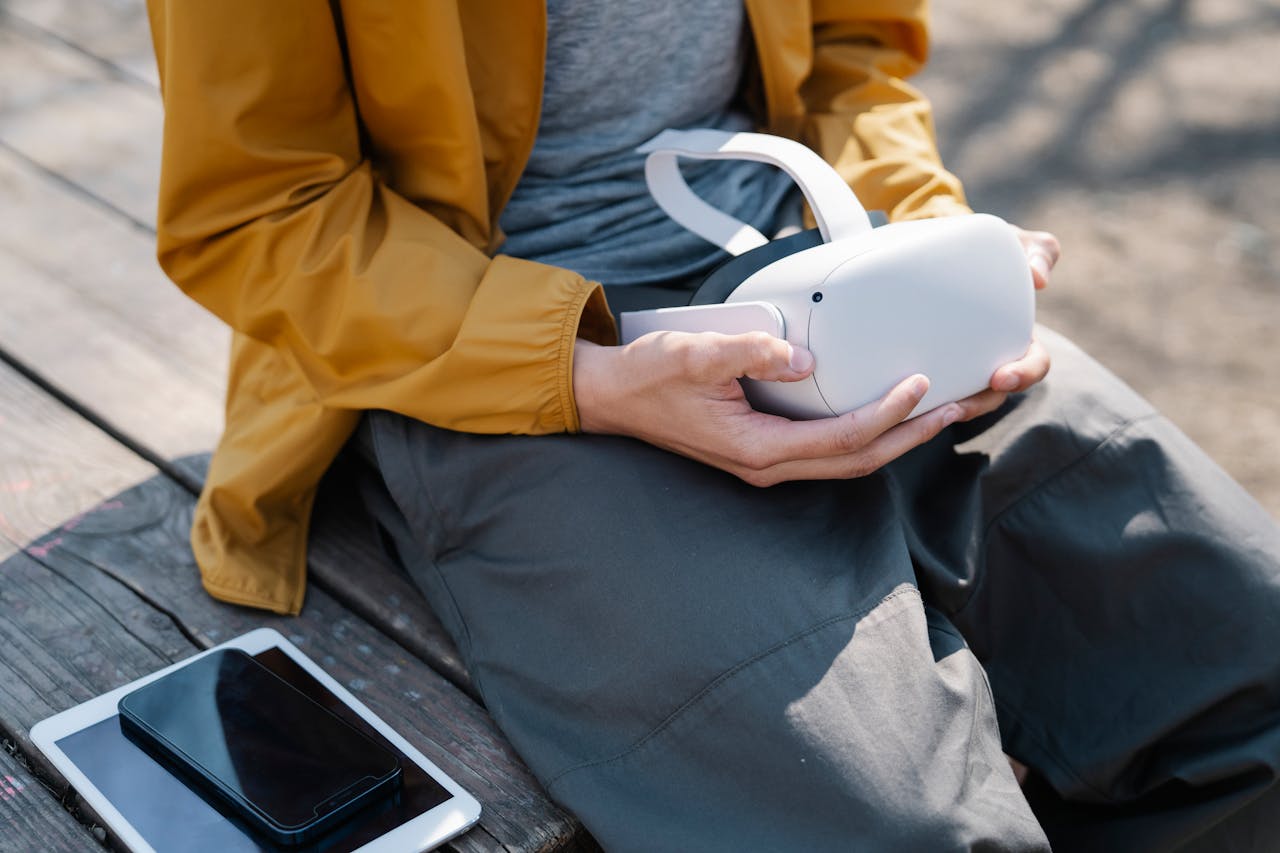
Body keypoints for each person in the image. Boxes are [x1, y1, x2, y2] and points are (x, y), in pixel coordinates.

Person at [145, 1, 1280, 849]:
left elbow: (852, 51)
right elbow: (257, 213)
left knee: (1239, 666)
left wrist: (926, 237)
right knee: (897, 827)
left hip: (826, 264)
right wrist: (586, 377)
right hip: (482, 358)